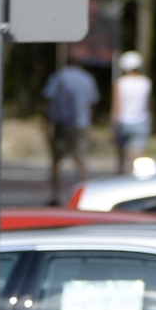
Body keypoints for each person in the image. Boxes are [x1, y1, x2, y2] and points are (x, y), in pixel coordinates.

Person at [42, 53, 99, 201]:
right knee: (81, 159)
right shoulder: (87, 78)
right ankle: (87, 194)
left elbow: (49, 99)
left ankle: (55, 195)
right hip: (81, 123)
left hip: (61, 124)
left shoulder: (58, 77)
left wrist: (47, 123)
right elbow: (93, 101)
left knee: (56, 162)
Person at [114, 50, 153, 172]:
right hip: (141, 121)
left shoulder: (120, 83)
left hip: (123, 122)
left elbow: (116, 106)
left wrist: (113, 126)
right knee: (138, 159)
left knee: (121, 158)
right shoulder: (146, 82)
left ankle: (120, 181)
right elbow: (150, 104)